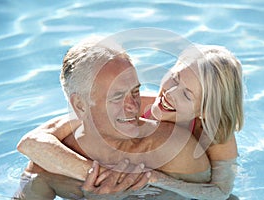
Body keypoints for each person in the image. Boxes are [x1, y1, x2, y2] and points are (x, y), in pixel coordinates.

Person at [14, 36, 211, 200]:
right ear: (80, 105)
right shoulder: (50, 161)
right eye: (117, 97)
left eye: (135, 92)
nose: (134, 107)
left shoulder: (174, 149)